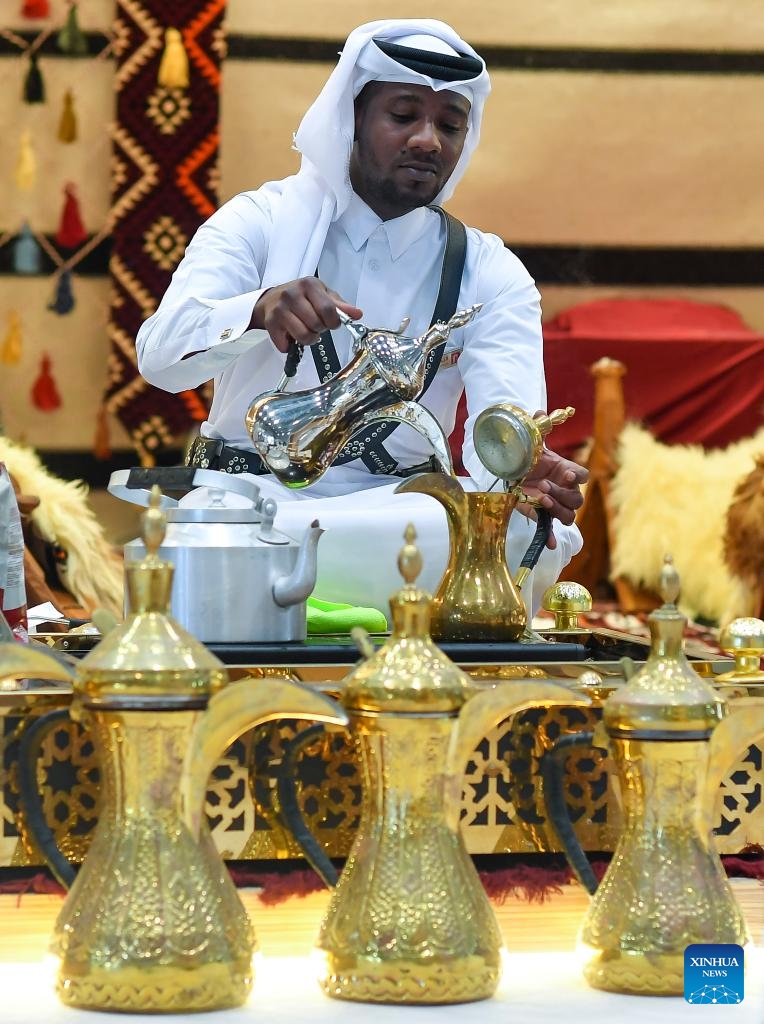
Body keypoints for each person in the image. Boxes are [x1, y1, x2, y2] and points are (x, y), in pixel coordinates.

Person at [136, 19, 587, 616]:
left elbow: (500, 433)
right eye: (404, 116)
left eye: (450, 125)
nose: (428, 140)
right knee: (226, 530)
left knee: (523, 532)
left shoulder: (489, 272)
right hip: (250, 496)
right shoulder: (257, 222)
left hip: (400, 508)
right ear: (352, 120)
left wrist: (518, 473)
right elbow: (159, 360)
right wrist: (253, 310)